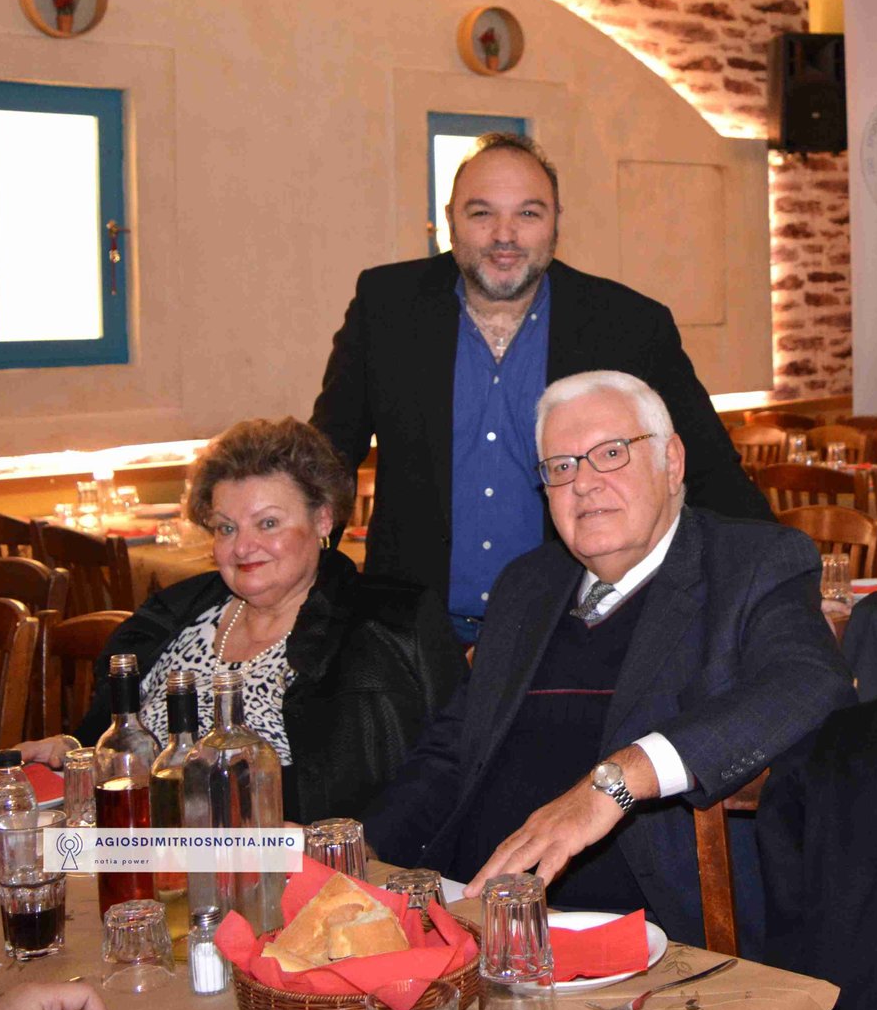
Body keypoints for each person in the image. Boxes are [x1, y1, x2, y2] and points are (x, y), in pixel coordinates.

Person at [363, 370, 855, 948]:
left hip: (646, 929)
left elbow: (809, 682)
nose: (583, 484)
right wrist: (362, 854)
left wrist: (616, 783)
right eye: (561, 466)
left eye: (611, 454)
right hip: (473, 910)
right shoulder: (528, 584)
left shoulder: (750, 563)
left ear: (671, 461)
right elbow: (454, 746)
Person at [311, 132, 772, 640]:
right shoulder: (386, 307)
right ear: (450, 220)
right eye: (481, 213)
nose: (504, 235)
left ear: (555, 223)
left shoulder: (628, 325)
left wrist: (778, 587)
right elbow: (326, 459)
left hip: (575, 633)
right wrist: (299, 579)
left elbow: (708, 473)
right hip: (409, 636)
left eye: (528, 214)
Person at [18, 418, 465, 822]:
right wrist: (72, 752)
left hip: (289, 864)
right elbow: (118, 738)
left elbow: (446, 765)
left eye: (268, 524)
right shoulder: (174, 616)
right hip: (145, 851)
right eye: (227, 528)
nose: (243, 547)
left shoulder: (385, 626)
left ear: (323, 519)